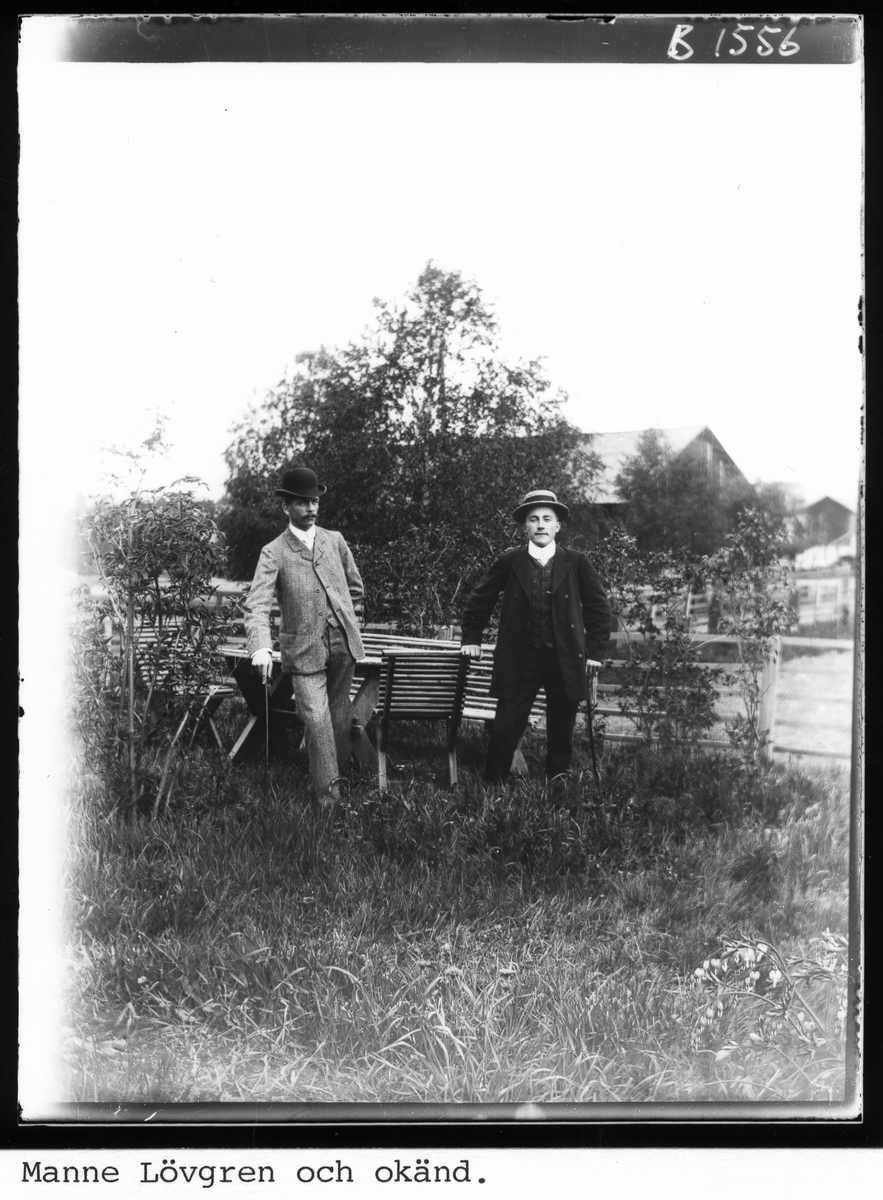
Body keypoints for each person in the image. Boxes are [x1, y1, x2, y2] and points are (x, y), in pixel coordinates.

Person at [460, 488, 611, 786]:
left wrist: (595, 652)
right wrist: (471, 639)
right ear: (525, 526)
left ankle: (556, 789)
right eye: (533, 519)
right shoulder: (510, 561)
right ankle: (491, 790)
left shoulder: (576, 562)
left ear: (558, 526)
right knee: (504, 728)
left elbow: (599, 608)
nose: (540, 525)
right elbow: (479, 600)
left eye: (547, 519)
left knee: (561, 730)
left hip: (564, 657)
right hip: (520, 658)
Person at [244, 466, 365, 808]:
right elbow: (256, 604)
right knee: (316, 719)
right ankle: (331, 803)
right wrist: (261, 647)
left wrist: (347, 620)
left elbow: (355, 589)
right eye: (302, 502)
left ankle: (332, 778)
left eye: (314, 501)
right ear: (286, 507)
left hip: (343, 645)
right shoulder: (274, 551)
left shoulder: (335, 540)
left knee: (338, 716)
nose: (310, 508)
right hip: (303, 649)